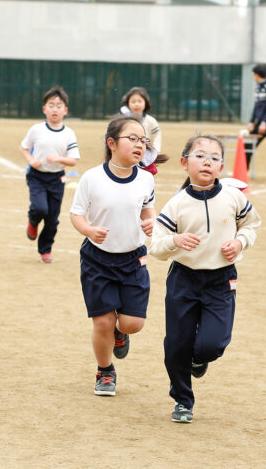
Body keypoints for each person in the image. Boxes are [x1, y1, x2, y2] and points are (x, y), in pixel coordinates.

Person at [150, 134, 261, 423]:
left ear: (221, 167)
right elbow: (156, 248)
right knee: (177, 343)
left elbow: (251, 223)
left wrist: (240, 242)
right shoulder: (176, 205)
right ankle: (183, 400)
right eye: (200, 155)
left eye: (214, 158)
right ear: (184, 163)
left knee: (213, 344)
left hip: (221, 280)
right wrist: (175, 240)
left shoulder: (233, 197)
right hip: (183, 280)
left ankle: (200, 359)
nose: (207, 161)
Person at [69, 116, 156, 396]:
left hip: (133, 259)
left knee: (132, 323)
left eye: (143, 140)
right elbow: (76, 213)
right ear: (112, 143)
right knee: (103, 321)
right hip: (98, 259)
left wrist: (150, 222)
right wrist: (89, 230)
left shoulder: (146, 179)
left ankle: (120, 334)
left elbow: (147, 209)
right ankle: (105, 371)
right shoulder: (92, 178)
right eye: (132, 138)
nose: (139, 144)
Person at [20, 87, 80, 263]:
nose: (55, 109)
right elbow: (24, 147)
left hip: (56, 178)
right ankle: (33, 221)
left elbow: (73, 160)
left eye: (59, 106)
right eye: (51, 105)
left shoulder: (69, 134)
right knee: (40, 208)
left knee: (52, 219)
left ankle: (45, 250)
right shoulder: (37, 129)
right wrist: (31, 160)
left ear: (65, 110)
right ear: (44, 109)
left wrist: (59, 158)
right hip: (37, 176)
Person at [120, 87, 162, 152]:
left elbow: (156, 139)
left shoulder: (151, 121)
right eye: (133, 102)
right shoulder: (122, 122)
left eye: (140, 101)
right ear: (128, 104)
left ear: (145, 103)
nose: (137, 104)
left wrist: (154, 154)